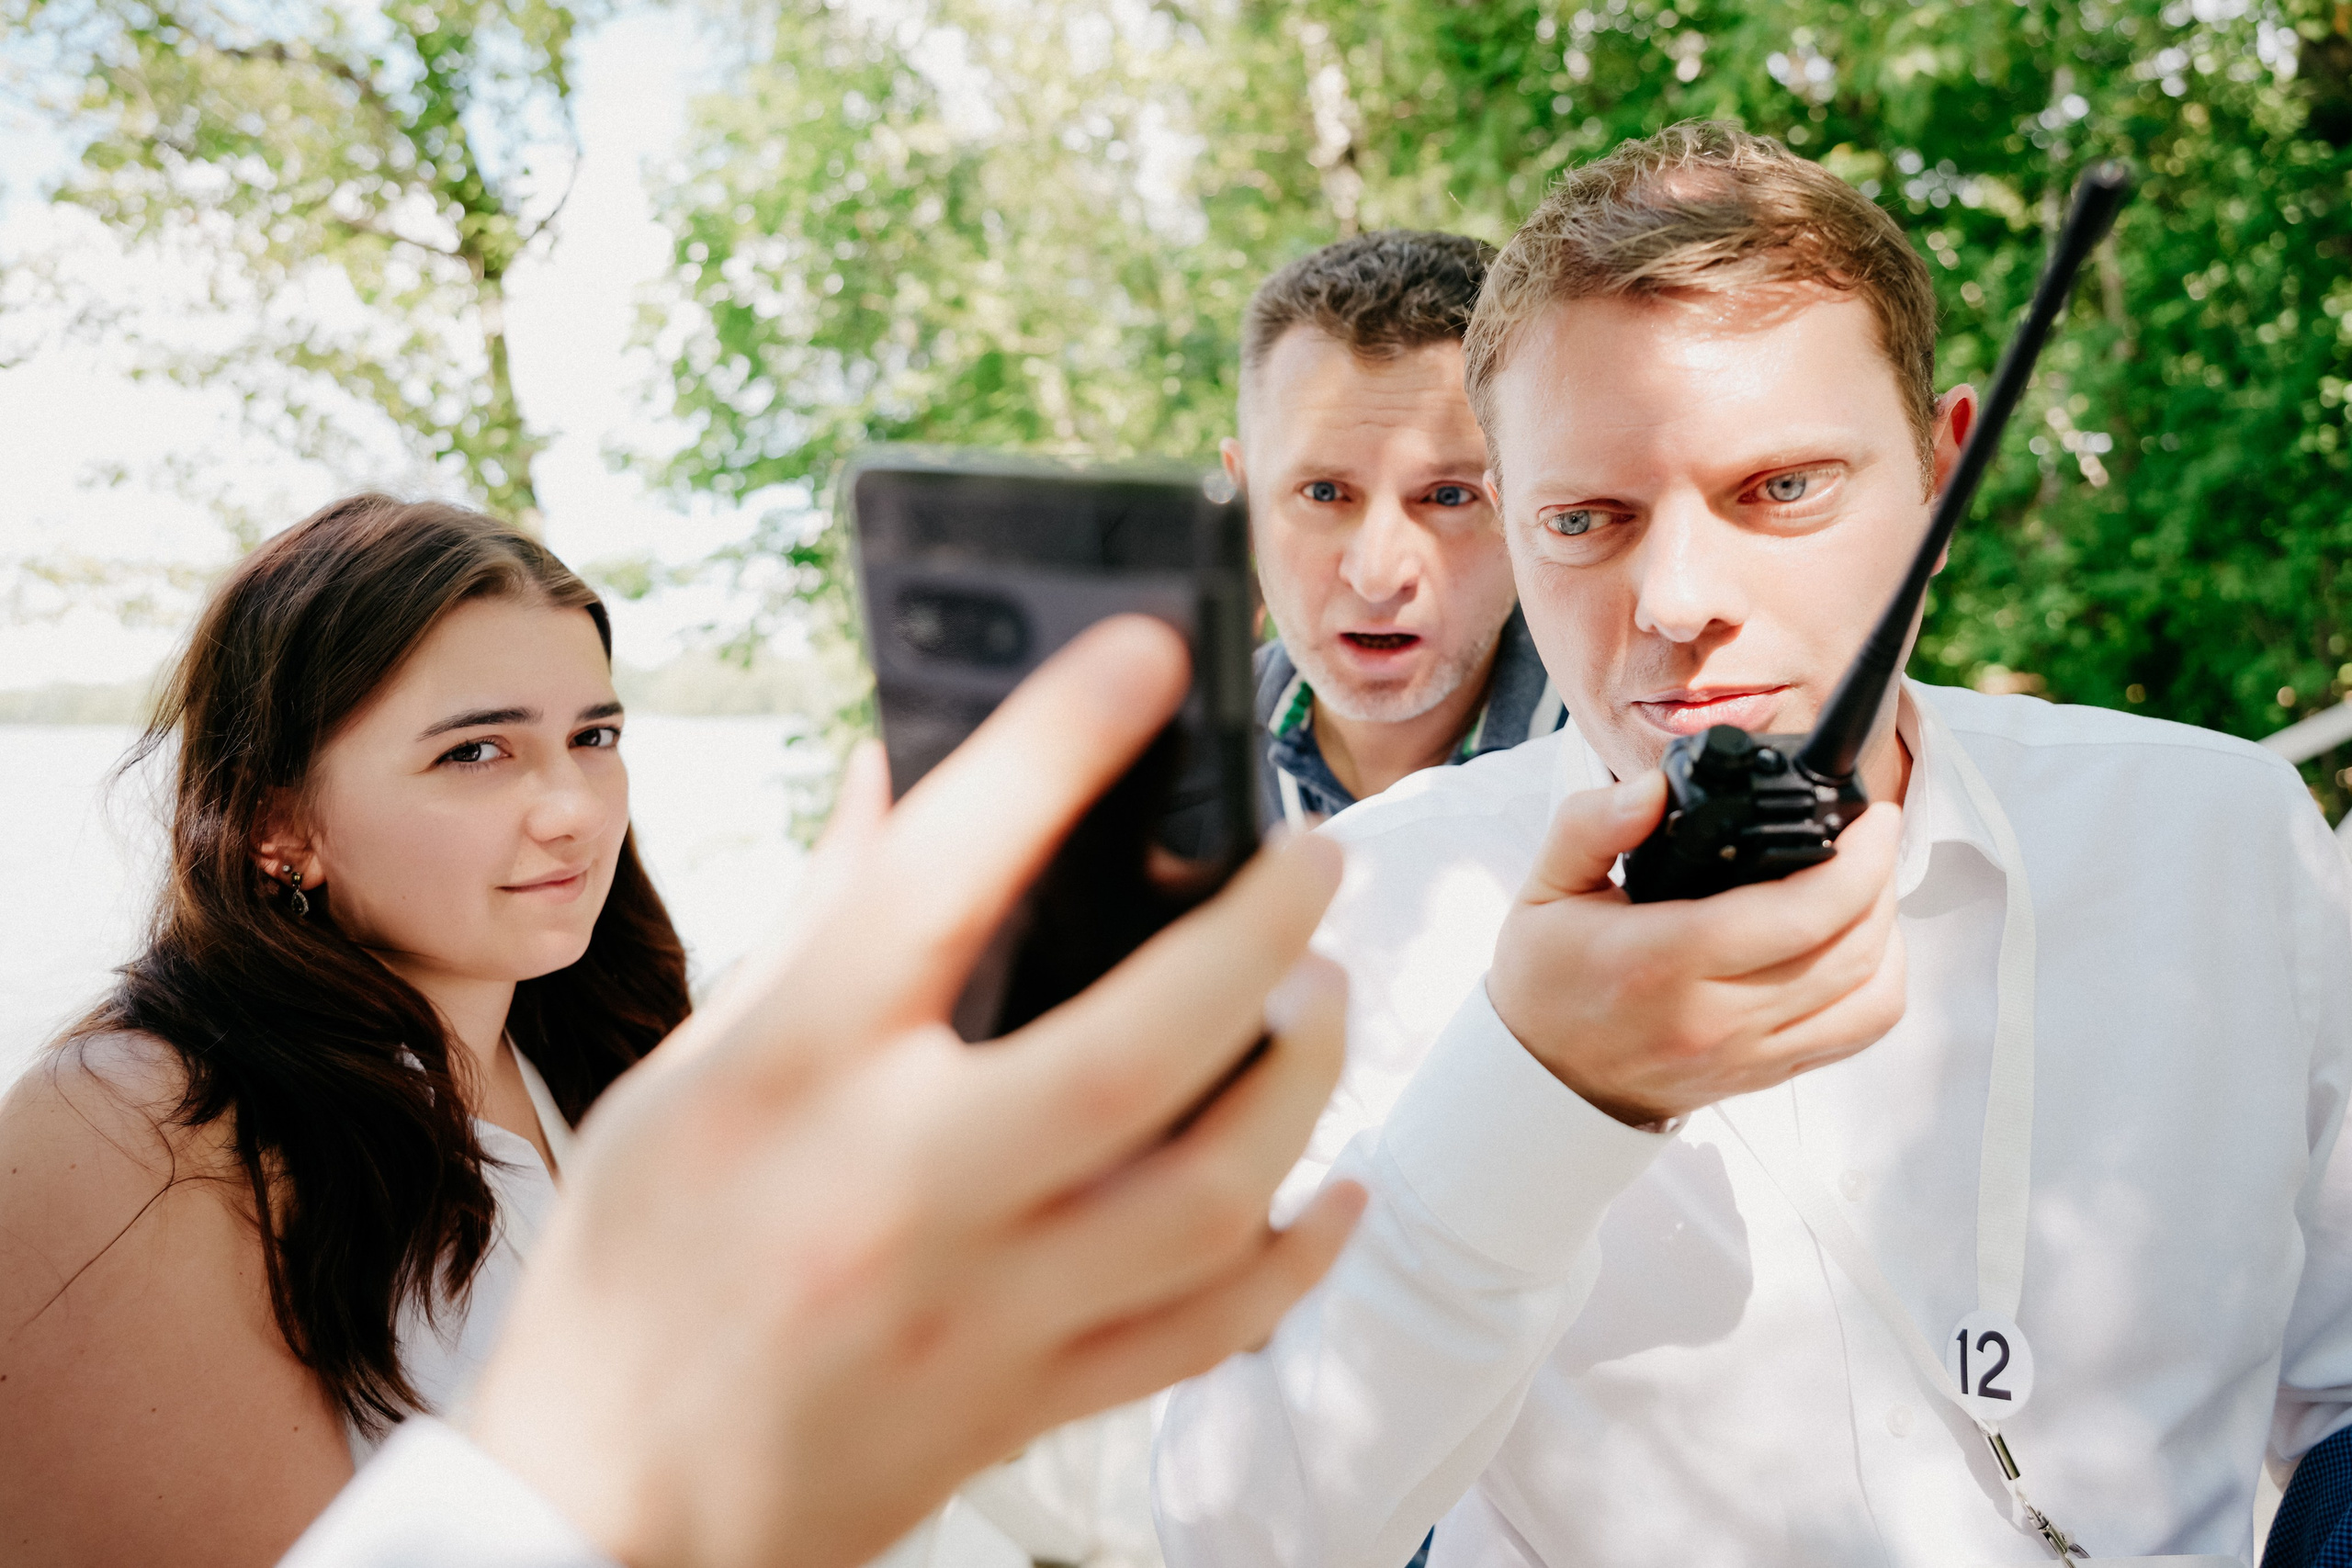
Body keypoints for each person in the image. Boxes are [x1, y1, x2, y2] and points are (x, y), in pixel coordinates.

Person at [1155, 122, 2352, 1566]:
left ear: (1939, 467)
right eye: (1587, 518)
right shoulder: (1353, 913)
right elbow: (1236, 1532)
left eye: (1781, 489)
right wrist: (1544, 1087)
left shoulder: (2221, 841)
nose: (1676, 596)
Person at [0, 499, 1360, 1566]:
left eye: (594, 735)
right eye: (477, 751)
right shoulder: (136, 1127)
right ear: (276, 819)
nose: (575, 806)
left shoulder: (627, 1063)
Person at [1229, 230, 1566, 831]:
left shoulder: (1631, 762)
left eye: (1446, 496)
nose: (1378, 577)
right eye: (1324, 493)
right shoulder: (1159, 770)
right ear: (1241, 501)